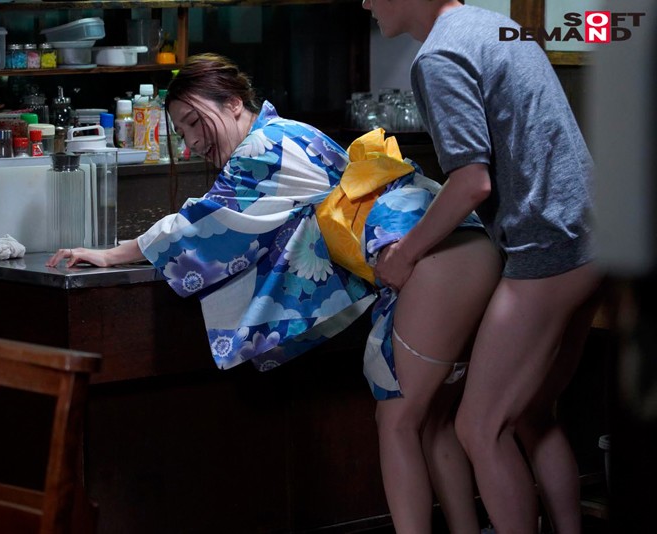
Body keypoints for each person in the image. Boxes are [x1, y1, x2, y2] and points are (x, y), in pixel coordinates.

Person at [46, 53, 500, 532]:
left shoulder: (261, 147)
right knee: (435, 425)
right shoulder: (289, 133)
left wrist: (113, 253)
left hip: (429, 262)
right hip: (465, 244)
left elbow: (202, 224)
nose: (193, 141)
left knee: (398, 424)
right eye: (181, 132)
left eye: (194, 122)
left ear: (234, 103)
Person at [361, 1, 603, 533]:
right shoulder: (495, 24)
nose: (366, 4)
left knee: (479, 427)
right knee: (534, 414)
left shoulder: (439, 56)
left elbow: (472, 182)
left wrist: (405, 252)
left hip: (549, 247)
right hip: (593, 234)